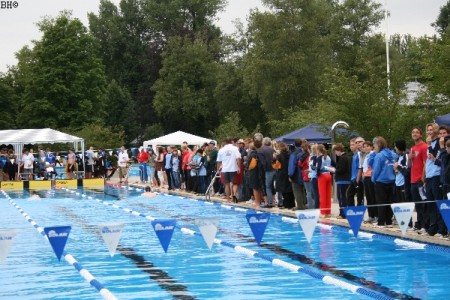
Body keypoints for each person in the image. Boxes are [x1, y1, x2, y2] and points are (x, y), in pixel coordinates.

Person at [371, 137, 396, 228]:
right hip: (391, 181)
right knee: (389, 202)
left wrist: (373, 179)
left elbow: (376, 170)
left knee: (381, 202)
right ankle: (389, 221)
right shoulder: (393, 154)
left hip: (381, 182)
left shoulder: (379, 156)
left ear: (378, 145)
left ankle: (381, 222)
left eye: (374, 145)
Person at [409, 127, 428, 232]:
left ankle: (425, 225)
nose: (415, 134)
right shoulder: (412, 148)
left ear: (421, 135)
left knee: (423, 203)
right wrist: (409, 158)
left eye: (417, 132)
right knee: (417, 204)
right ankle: (419, 224)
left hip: (420, 179)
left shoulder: (424, 147)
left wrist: (423, 177)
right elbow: (409, 165)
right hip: (413, 180)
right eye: (413, 132)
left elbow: (425, 163)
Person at [217, 137, 241, 202]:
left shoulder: (221, 150)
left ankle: (228, 199)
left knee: (226, 184)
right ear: (231, 141)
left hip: (225, 169)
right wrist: (239, 167)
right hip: (233, 168)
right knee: (234, 183)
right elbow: (238, 158)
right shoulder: (235, 148)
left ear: (225, 142)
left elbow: (219, 161)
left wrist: (218, 170)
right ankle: (234, 195)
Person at [333, 143, 351, 219]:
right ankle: (343, 213)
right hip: (345, 180)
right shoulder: (347, 157)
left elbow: (341, 169)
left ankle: (343, 214)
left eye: (336, 152)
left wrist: (334, 170)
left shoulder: (342, 158)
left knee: (341, 197)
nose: (335, 154)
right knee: (343, 197)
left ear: (339, 150)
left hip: (342, 180)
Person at [274, 142, 295, 208]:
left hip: (282, 174)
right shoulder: (291, 154)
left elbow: (277, 166)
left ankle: (286, 205)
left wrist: (273, 160)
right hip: (289, 173)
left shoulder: (279, 156)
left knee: (284, 191)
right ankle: (292, 204)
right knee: (290, 190)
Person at [316, 144, 334, 217]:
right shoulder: (328, 157)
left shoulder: (319, 157)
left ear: (318, 150)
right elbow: (334, 165)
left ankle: (323, 212)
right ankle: (328, 211)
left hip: (322, 176)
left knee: (322, 195)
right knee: (328, 195)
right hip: (329, 175)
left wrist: (317, 174)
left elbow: (318, 167)